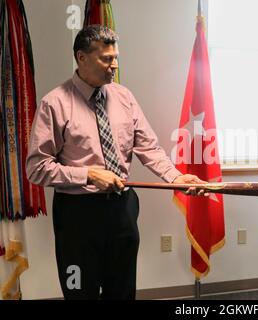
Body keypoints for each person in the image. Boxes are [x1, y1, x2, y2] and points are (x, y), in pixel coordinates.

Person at [26, 25, 205, 300]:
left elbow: (149, 148)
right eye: (106, 59)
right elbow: (36, 168)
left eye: (116, 58)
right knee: (79, 292)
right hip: (77, 217)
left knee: (121, 292)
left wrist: (174, 177)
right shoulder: (54, 104)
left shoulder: (124, 97)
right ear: (81, 57)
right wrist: (88, 175)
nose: (114, 66)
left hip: (122, 210)